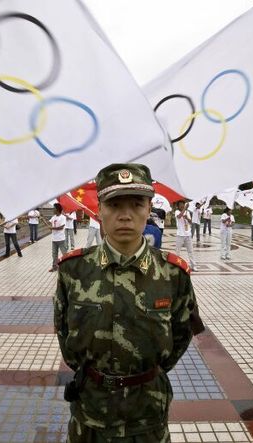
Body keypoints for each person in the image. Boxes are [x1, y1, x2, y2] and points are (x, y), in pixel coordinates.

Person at [54, 163, 203, 442]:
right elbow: (64, 334)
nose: (125, 215)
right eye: (114, 204)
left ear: (149, 209)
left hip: (147, 412)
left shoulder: (173, 273)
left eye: (136, 204)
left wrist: (143, 374)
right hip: (90, 411)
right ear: (99, 210)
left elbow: (181, 337)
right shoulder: (73, 270)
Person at [175, 200, 197, 271]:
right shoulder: (177, 211)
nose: (182, 206)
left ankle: (193, 265)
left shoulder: (188, 213)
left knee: (190, 251)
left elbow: (191, 222)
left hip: (188, 234)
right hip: (180, 235)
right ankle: (177, 265)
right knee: (177, 251)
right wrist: (184, 209)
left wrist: (187, 218)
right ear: (178, 206)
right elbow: (179, 216)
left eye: (183, 204)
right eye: (180, 205)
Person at [49, 203, 68, 272]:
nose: (53, 210)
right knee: (54, 254)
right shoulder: (53, 217)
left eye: (54, 208)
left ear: (57, 209)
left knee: (64, 253)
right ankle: (54, 267)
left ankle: (68, 266)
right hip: (54, 239)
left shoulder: (62, 217)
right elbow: (49, 225)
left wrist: (52, 228)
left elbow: (61, 227)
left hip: (61, 239)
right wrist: (42, 219)